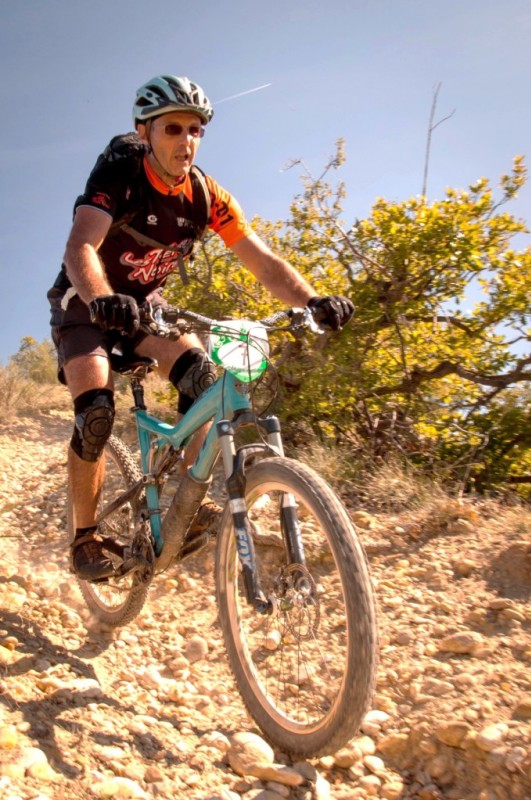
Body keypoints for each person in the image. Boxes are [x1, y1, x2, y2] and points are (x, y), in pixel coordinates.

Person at [47, 74, 354, 582]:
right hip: (86, 303)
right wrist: (103, 299)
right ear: (145, 132)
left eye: (196, 130)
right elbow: (80, 246)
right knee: (96, 412)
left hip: (145, 308)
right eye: (173, 129)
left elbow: (263, 261)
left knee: (206, 379)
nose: (186, 141)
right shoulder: (119, 177)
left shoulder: (207, 195)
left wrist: (312, 299)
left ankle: (186, 502)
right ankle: (86, 538)